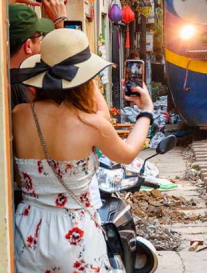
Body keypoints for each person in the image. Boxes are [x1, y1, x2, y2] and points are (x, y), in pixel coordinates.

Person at [11, 29, 155, 272]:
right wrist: (146, 111)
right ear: (86, 80)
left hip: (29, 228)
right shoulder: (92, 125)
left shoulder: (20, 115)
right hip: (75, 233)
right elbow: (129, 152)